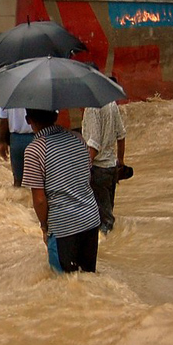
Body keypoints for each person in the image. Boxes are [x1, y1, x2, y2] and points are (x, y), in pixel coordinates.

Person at [21, 108, 101, 273]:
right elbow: (86, 178)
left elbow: (40, 200)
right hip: (91, 220)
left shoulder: (34, 150)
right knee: (87, 280)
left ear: (28, 119)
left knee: (64, 283)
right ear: (56, 116)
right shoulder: (78, 139)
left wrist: (44, 226)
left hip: (63, 227)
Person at [82, 99, 126, 233]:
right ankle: (112, 246)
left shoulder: (92, 108)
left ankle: (105, 250)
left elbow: (94, 145)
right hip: (111, 168)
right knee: (107, 214)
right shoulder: (111, 103)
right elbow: (121, 135)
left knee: (102, 221)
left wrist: (82, 171)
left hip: (98, 170)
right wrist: (120, 161)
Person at [0, 106, 34, 186]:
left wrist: (2, 142)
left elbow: (2, 119)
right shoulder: (42, 94)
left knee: (18, 181)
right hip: (37, 138)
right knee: (38, 180)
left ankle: (18, 197)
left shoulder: (7, 95)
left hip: (16, 140)